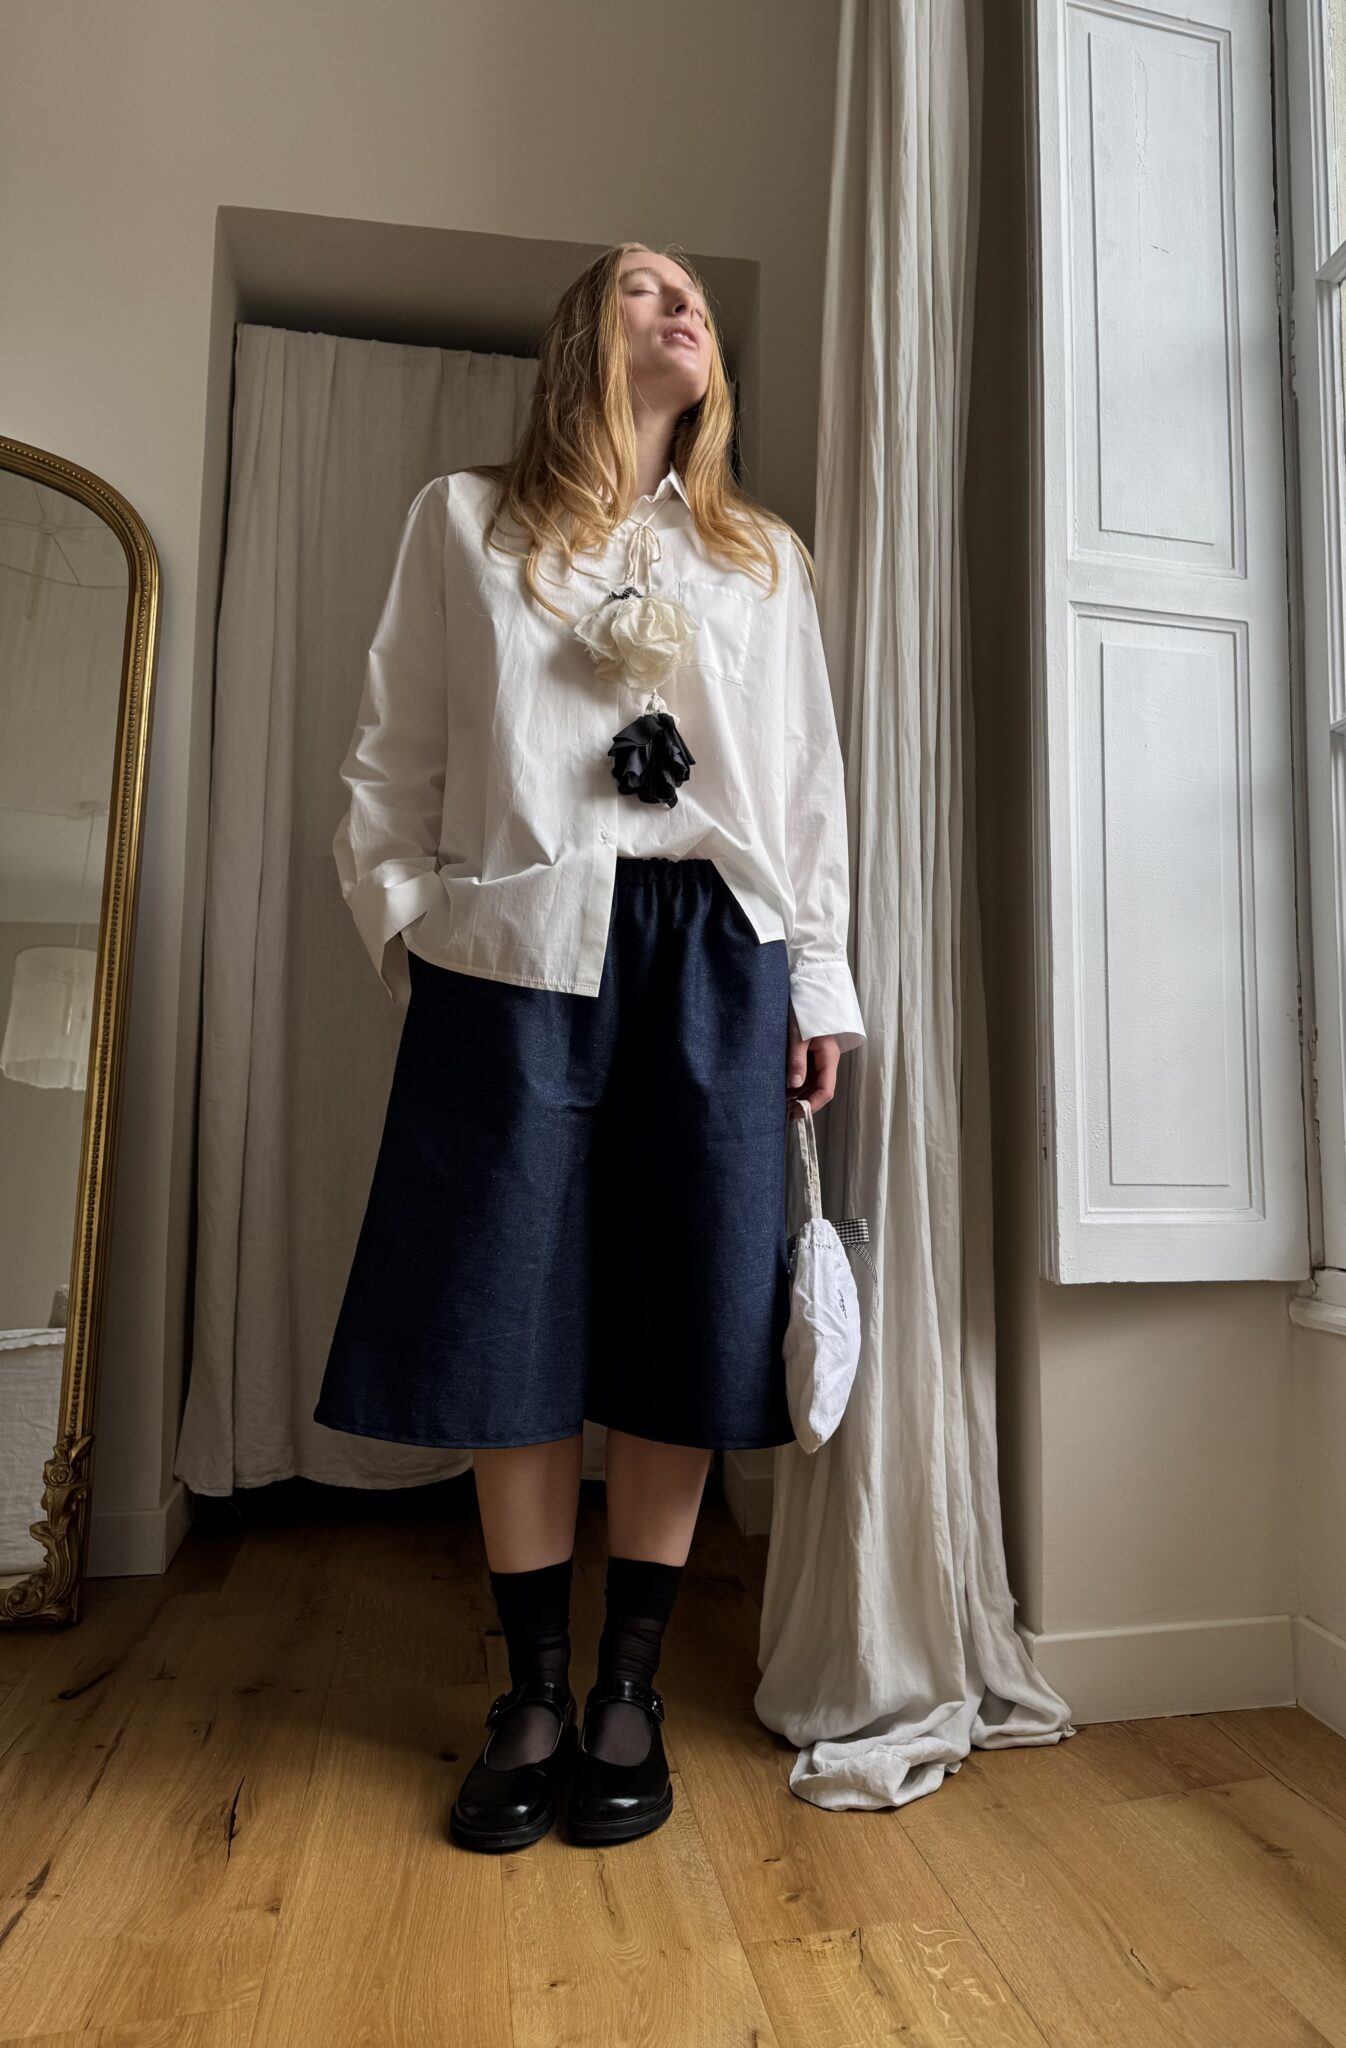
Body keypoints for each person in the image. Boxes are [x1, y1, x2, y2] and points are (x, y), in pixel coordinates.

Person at [312, 240, 865, 1854]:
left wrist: (816, 984)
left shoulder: (760, 557)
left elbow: (803, 788)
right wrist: (417, 926)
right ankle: (534, 1698)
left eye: (695, 297)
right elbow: (391, 757)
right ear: (580, 331)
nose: (682, 306)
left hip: (713, 955)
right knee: (512, 1315)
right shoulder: (464, 522)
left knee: (686, 1310)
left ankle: (630, 1689)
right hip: (516, 947)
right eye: (642, 286)